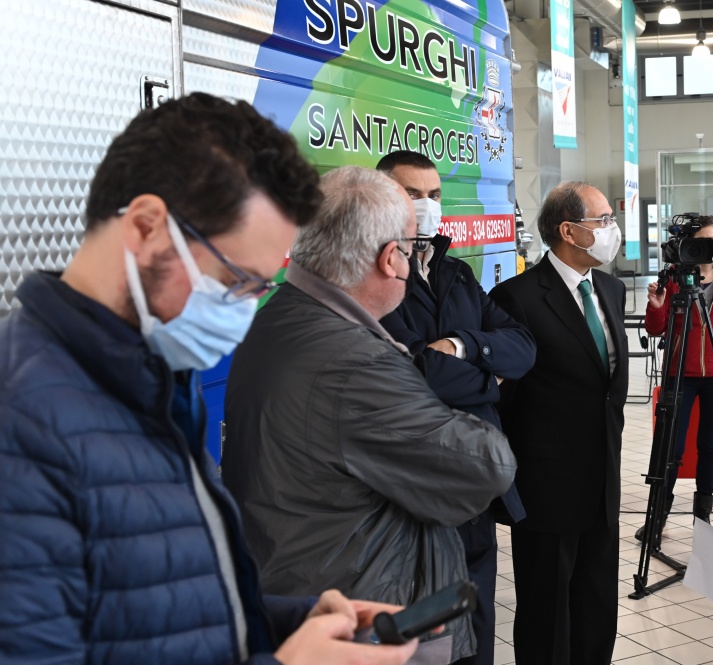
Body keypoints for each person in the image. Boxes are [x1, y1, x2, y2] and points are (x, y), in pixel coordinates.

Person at [0, 93, 418, 664]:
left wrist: (283, 624)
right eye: (235, 279)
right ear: (147, 227)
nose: (243, 312)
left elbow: (150, 608)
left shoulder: (156, 378)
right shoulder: (23, 420)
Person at [222, 165, 517, 664]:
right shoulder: (358, 361)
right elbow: (486, 465)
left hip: (300, 584)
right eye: (406, 248)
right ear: (390, 259)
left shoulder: (276, 317)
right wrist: (474, 389)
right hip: (363, 611)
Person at [376, 150, 536, 665]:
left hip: (475, 480)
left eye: (435, 195)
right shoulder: (374, 278)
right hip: (417, 487)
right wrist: (487, 379)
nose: (427, 206)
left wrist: (465, 347)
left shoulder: (457, 274)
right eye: (413, 194)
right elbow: (414, 375)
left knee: (477, 618)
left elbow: (522, 346)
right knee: (430, 631)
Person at [490, 181, 628, 665]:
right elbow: (506, 401)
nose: (613, 230)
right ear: (569, 230)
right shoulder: (517, 298)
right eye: (603, 220)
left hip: (603, 479)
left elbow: (608, 387)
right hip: (546, 485)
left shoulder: (610, 289)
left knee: (596, 605)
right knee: (546, 613)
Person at [634, 217, 713, 546]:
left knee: (709, 447)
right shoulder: (676, 280)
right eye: (702, 242)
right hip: (680, 371)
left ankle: (702, 517)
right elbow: (655, 327)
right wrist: (656, 306)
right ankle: (658, 517)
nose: (709, 248)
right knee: (670, 448)